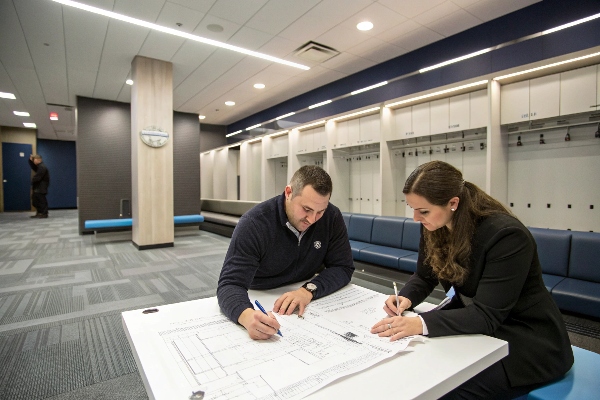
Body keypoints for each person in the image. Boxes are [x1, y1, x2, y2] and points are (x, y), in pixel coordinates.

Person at [370, 160, 573, 399]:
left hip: (524, 339)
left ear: (453, 203)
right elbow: (425, 276)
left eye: (423, 211)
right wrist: (405, 297)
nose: (415, 218)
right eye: (412, 208)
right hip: (477, 326)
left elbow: (487, 315)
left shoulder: (505, 236)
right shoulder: (435, 224)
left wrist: (419, 323)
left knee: (443, 388)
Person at [217, 165, 354, 340]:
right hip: (261, 294)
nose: (312, 219)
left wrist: (307, 291)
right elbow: (230, 284)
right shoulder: (254, 224)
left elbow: (343, 267)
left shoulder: (332, 217)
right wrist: (246, 316)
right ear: (288, 192)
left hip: (303, 291)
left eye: (320, 211)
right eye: (306, 209)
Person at [28, 154, 50, 218]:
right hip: (38, 186)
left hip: (41, 187)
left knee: (41, 200)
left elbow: (38, 177)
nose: (34, 161)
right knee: (36, 200)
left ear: (38, 160)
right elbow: (33, 167)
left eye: (34, 160)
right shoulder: (39, 166)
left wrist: (33, 181)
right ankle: (40, 212)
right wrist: (30, 160)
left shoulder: (42, 167)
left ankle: (44, 213)